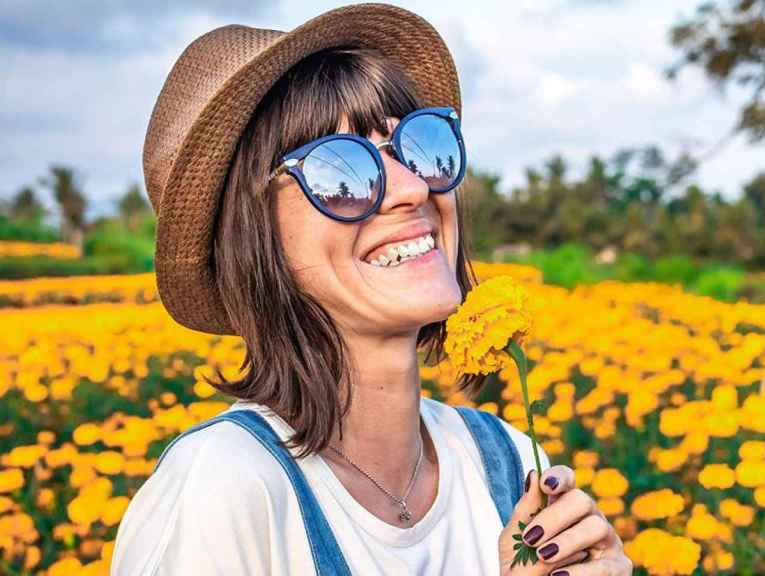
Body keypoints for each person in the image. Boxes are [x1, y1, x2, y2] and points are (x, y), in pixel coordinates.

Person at [110, 4, 632, 575]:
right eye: (341, 173)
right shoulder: (227, 487)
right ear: (252, 238)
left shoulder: (506, 460)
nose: (411, 188)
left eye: (418, 145)